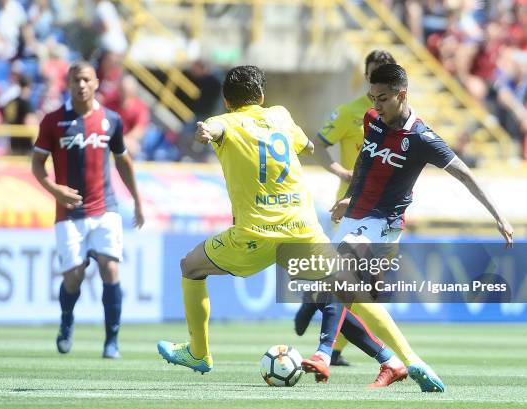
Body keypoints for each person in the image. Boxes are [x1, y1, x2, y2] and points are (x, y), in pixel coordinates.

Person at [309, 63, 513, 392]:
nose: (376, 105)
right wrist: (350, 197)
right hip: (356, 216)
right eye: (372, 97)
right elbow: (365, 163)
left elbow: (464, 174)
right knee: (347, 298)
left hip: (384, 223)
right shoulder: (372, 120)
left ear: (402, 94)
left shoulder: (421, 137)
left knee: (338, 279)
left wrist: (498, 216)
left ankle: (323, 355)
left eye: (383, 98)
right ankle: (397, 362)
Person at [156, 65, 332, 374]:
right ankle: (391, 357)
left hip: (254, 233)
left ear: (226, 101)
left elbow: (214, 128)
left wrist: (206, 132)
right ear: (262, 96)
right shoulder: (280, 115)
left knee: (190, 266)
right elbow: (309, 146)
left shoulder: (226, 121)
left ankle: (199, 353)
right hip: (299, 226)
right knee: (344, 289)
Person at [31, 61, 144, 359]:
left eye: (85, 80)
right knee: (74, 277)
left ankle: (112, 341)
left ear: (95, 83)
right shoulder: (53, 121)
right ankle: (67, 319)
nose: (80, 85)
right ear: (67, 85)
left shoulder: (111, 120)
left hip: (105, 208)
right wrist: (55, 189)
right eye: (74, 81)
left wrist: (138, 201)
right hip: (69, 212)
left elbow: (123, 161)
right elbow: (36, 164)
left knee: (111, 268)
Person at [295, 50, 397, 368]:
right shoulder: (350, 113)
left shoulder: (403, 118)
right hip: (353, 209)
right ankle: (332, 349)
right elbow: (321, 143)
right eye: (375, 72)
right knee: (350, 283)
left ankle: (319, 308)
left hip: (387, 212)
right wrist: (340, 171)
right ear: (366, 77)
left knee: (373, 289)